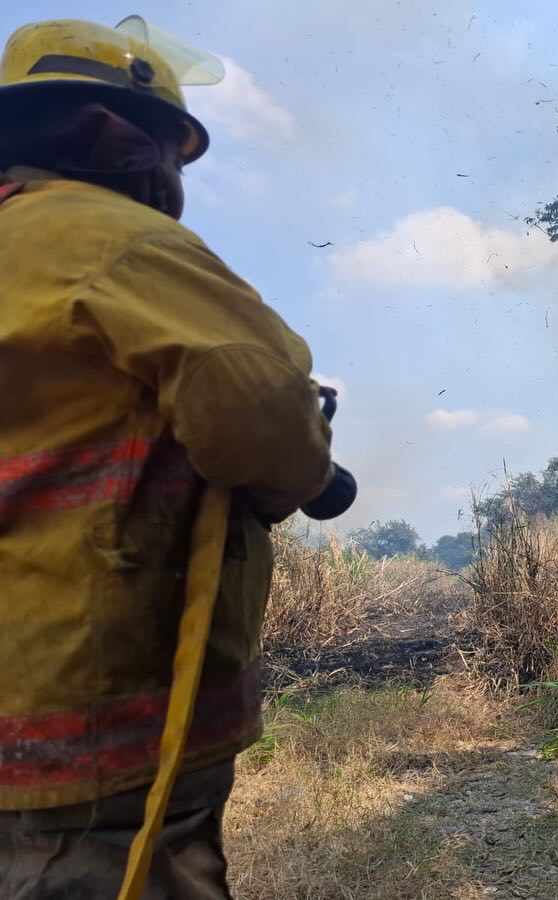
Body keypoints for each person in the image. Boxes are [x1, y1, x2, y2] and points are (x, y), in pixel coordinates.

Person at [0, 17, 355, 898]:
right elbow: (256, 408)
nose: (175, 184)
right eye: (173, 155)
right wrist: (311, 478)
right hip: (93, 719)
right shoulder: (113, 240)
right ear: (113, 136)